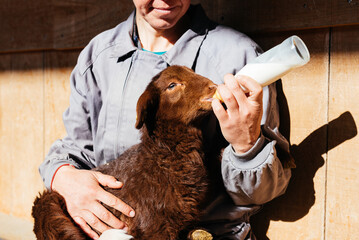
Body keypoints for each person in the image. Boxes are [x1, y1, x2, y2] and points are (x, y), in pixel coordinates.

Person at [39, 0, 292, 239]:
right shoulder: (99, 57)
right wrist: (63, 176)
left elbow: (265, 191)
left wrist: (246, 143)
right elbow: (78, 150)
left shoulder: (238, 56)